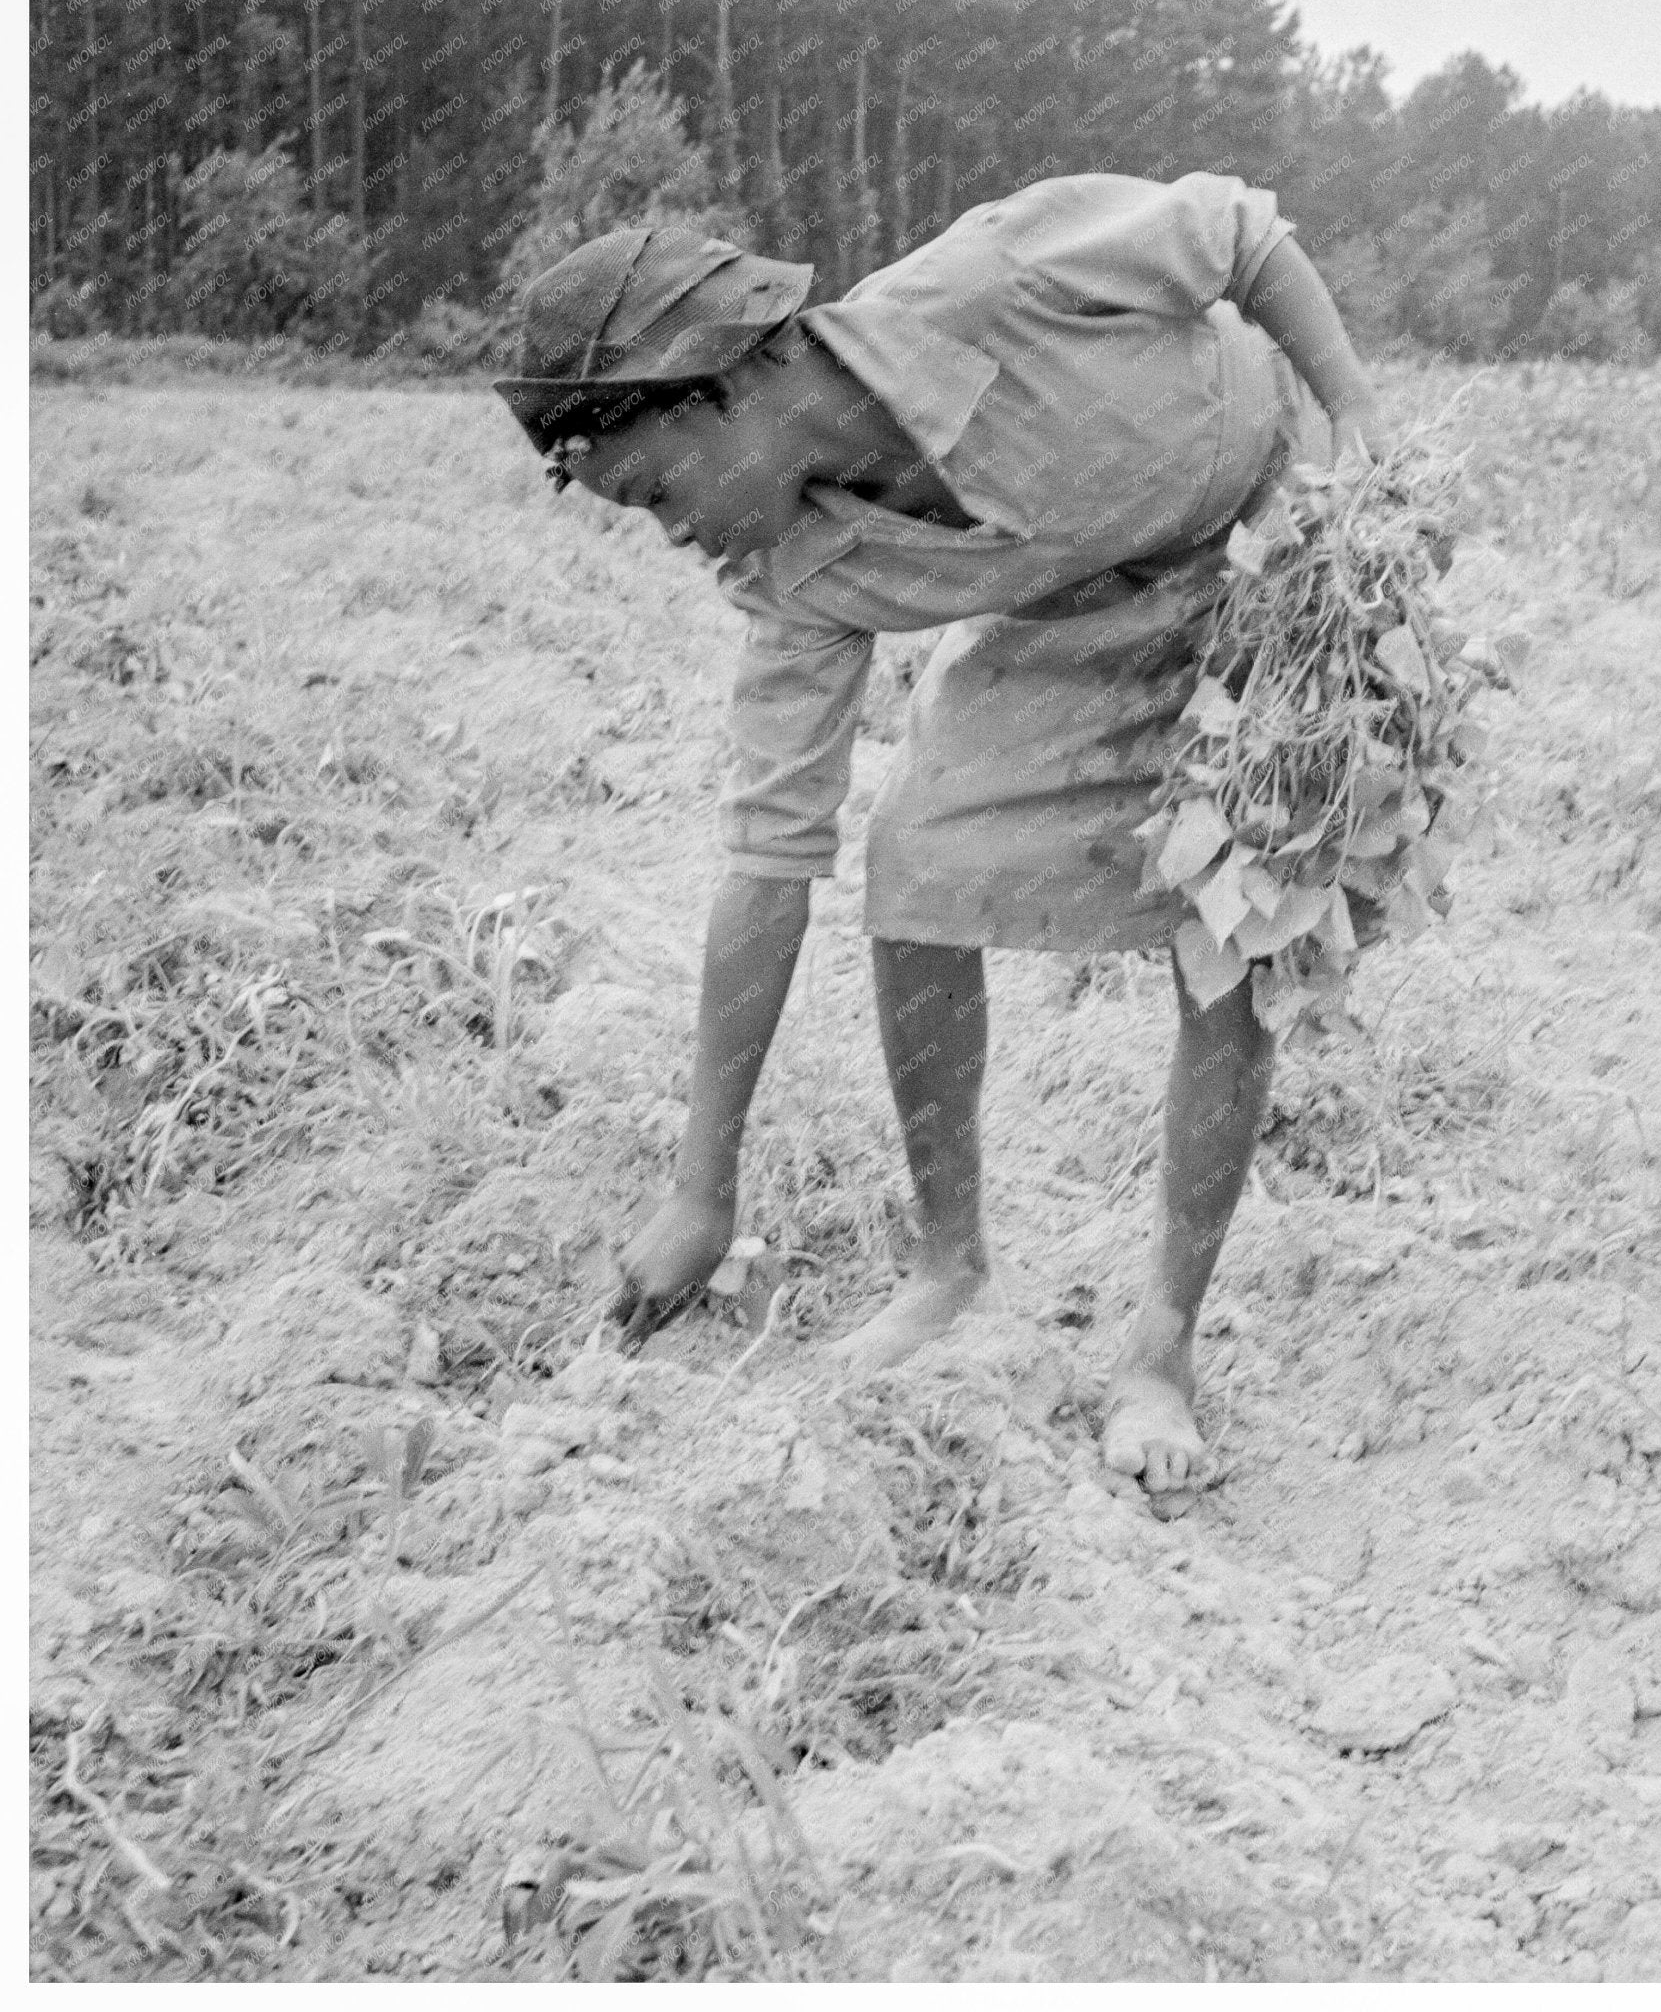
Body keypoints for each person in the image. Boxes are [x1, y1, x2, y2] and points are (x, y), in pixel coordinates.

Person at [494, 171, 1436, 1493]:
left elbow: (1241, 234)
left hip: (1266, 542)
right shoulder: (790, 570)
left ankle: (1162, 1353)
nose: (676, 540)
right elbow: (768, 861)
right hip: (1077, 602)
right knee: (916, 862)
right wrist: (703, 1189)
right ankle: (951, 1270)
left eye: (657, 492)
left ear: (718, 387)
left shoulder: (996, 277)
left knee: (1234, 914)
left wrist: (1355, 413)